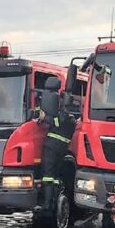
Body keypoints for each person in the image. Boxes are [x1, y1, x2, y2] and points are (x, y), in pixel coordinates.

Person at [34, 84, 76, 217]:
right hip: (62, 149)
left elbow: (56, 122)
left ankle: (47, 205)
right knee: (55, 177)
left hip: (52, 147)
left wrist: (42, 118)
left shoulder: (64, 114)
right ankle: (53, 202)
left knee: (47, 176)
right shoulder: (73, 115)